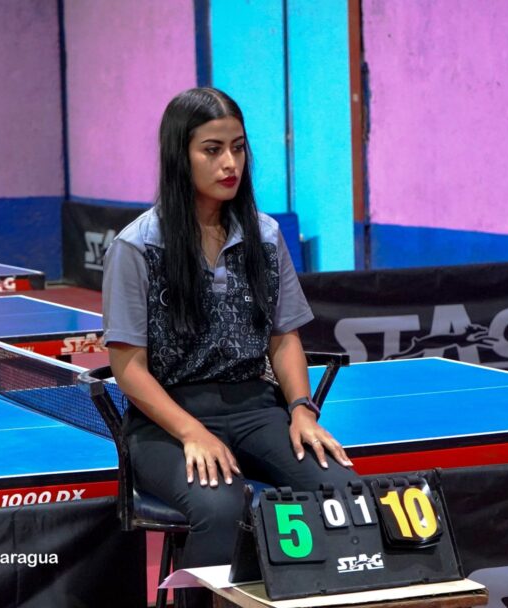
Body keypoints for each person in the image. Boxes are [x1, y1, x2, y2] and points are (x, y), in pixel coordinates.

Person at [102, 87, 358, 606]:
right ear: (181, 155)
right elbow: (129, 369)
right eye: (212, 149)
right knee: (220, 509)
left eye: (238, 148)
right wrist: (191, 432)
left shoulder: (264, 235)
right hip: (166, 421)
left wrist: (301, 409)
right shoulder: (137, 246)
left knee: (341, 490)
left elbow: (284, 336)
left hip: (255, 408)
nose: (230, 163)